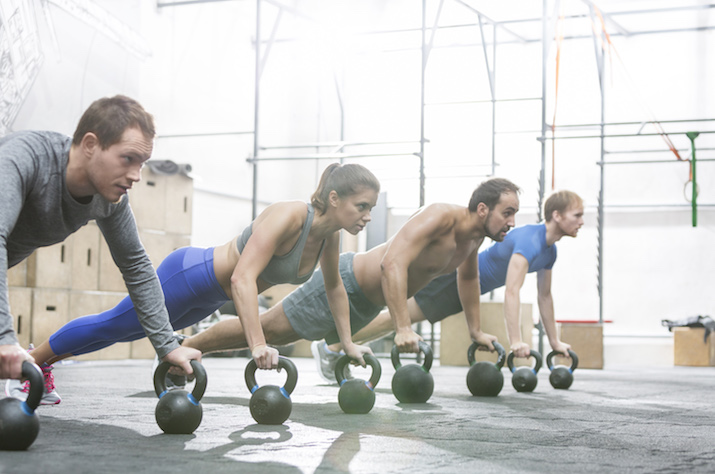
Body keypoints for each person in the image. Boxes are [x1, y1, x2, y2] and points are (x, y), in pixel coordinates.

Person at [7, 162, 380, 403]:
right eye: (361, 206)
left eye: (371, 209)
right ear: (334, 198)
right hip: (190, 275)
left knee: (126, 331)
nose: (366, 216)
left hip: (207, 297)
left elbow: (334, 289)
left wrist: (345, 343)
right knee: (117, 326)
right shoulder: (290, 215)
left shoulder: (331, 237)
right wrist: (258, 344)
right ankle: (30, 364)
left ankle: (39, 363)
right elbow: (242, 277)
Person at [179, 178, 521, 382]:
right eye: (507, 212)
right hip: (348, 282)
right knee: (268, 330)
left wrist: (476, 331)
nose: (512, 221)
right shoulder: (439, 216)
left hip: (367, 305)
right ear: (481, 209)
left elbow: (469, 280)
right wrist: (402, 326)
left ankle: (327, 352)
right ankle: (184, 349)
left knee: (296, 334)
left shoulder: (473, 239)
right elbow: (391, 264)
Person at [0, 95, 201, 402]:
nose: (136, 175)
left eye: (142, 164)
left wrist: (167, 346)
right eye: (128, 159)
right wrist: (4, 338)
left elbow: (136, 267)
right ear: (91, 144)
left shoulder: (111, 201)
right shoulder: (25, 158)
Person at [312, 190, 584, 380]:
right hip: (451, 282)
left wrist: (554, 341)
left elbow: (545, 298)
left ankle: (335, 344)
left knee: (392, 320)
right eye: (577, 215)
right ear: (557, 215)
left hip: (464, 286)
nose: (581, 222)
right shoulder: (530, 241)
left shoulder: (550, 252)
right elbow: (512, 291)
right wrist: (515, 341)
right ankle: (332, 347)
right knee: (393, 322)